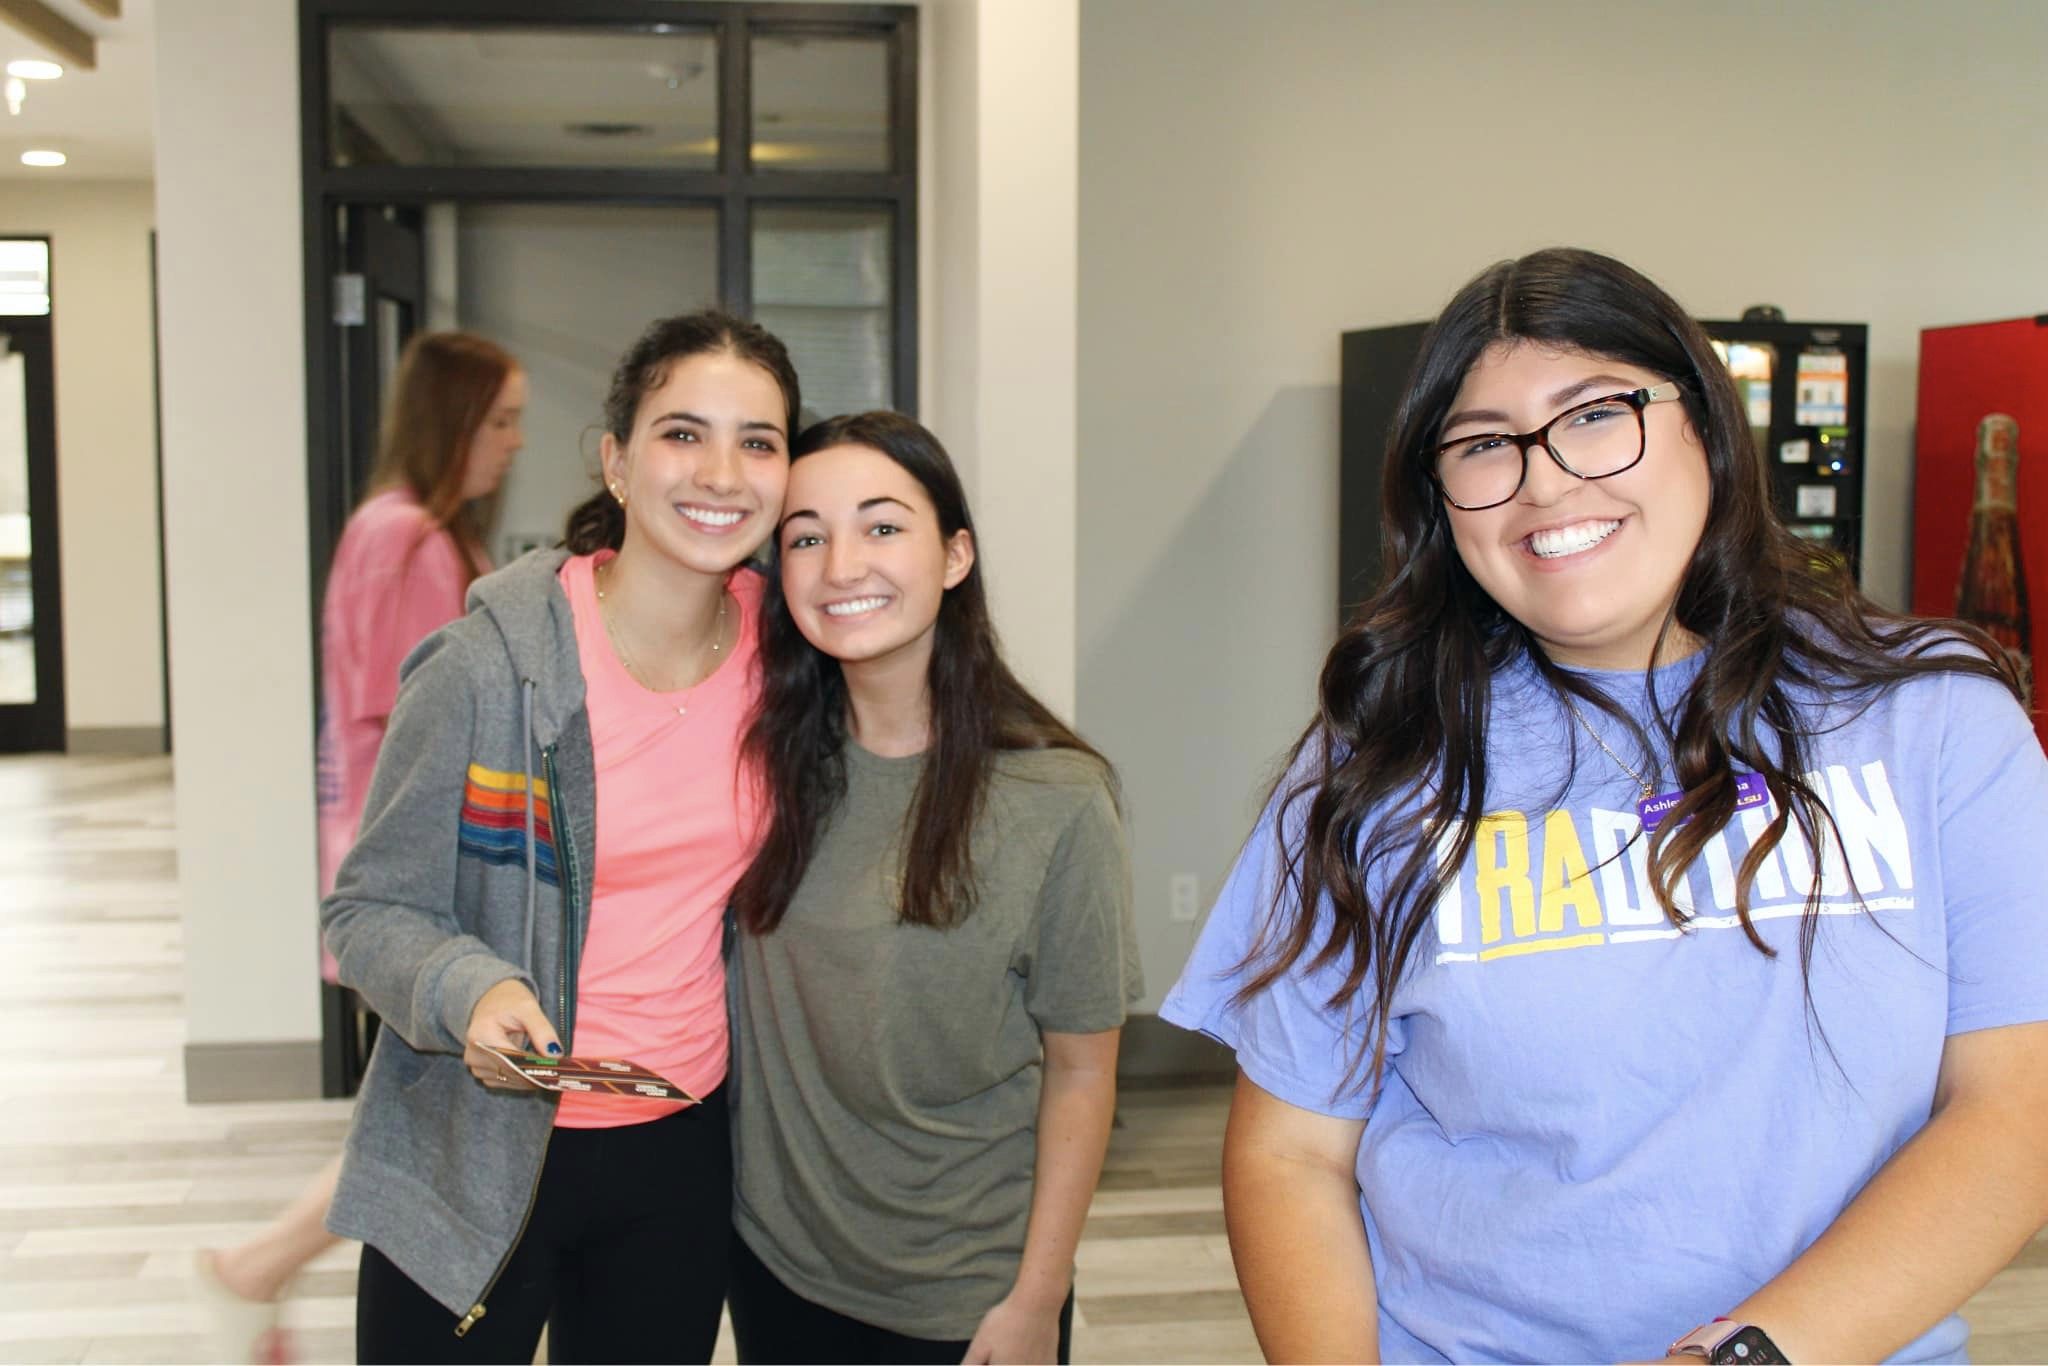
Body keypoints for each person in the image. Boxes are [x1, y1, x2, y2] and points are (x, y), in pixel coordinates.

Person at [1162, 248, 2048, 1365]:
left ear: (1706, 432)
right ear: (1438, 498)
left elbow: (2012, 1116)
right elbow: (1289, 1154)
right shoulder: (1378, 758)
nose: (1542, 483)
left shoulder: (1930, 718)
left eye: (1594, 415)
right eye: (1482, 444)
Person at [321, 311, 801, 1364]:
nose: (721, 471)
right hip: (471, 1144)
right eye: (683, 433)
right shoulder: (485, 666)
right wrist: (469, 988)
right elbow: (367, 908)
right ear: (617, 462)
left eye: (757, 441)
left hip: (679, 1150)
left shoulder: (793, 658)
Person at [724, 411, 1141, 1365]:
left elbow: (1083, 1070)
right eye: (805, 536)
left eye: (881, 526)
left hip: (967, 1290)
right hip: (774, 1266)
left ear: (954, 555)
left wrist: (1039, 1298)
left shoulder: (1057, 798)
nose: (840, 567)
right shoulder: (757, 770)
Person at [193, 330, 525, 1365]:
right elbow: (434, 727)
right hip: (427, 878)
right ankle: (257, 1264)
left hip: (402, 865)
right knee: (420, 1118)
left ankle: (258, 1266)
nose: (514, 443)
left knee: (416, 1115)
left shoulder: (402, 530)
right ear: (454, 419)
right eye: (502, 419)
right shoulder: (413, 541)